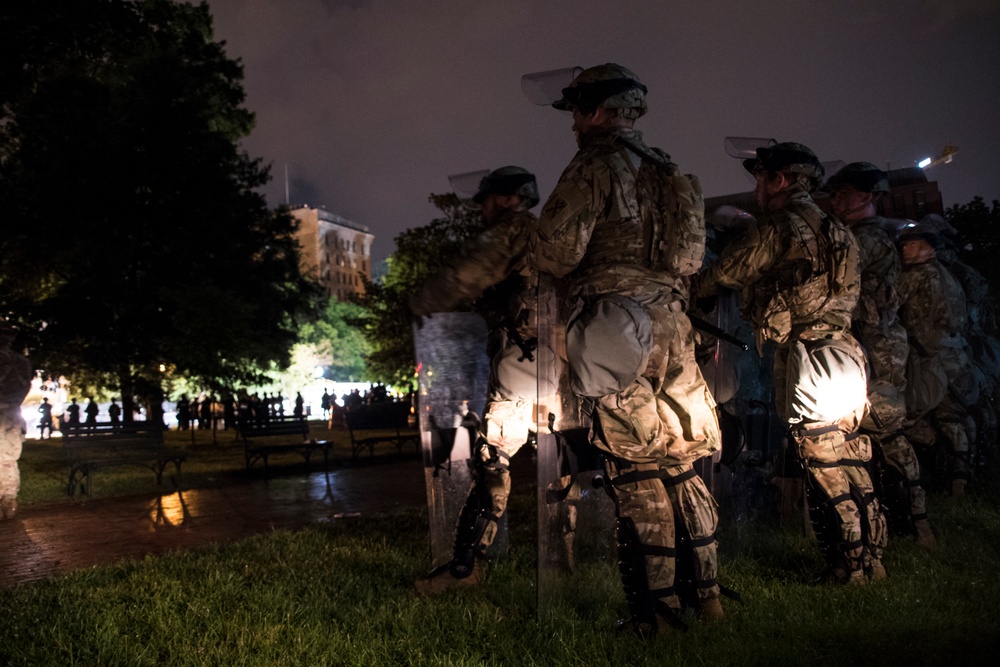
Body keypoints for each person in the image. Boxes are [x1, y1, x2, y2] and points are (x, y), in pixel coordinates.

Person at [529, 63, 723, 632]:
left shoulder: (594, 165)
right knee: (683, 462)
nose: (572, 125)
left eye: (575, 112)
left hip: (619, 326)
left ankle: (656, 611)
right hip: (673, 324)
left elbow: (556, 254)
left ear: (594, 111)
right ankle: (707, 597)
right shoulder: (666, 169)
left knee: (636, 466)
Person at [696, 142, 887, 585]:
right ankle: (871, 557)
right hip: (845, 351)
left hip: (811, 357)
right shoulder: (838, 229)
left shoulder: (782, 225)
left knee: (823, 461)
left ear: (780, 180)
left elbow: (729, 271)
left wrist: (693, 288)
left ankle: (852, 567)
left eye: (761, 178)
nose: (758, 189)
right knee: (849, 457)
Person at [410, 166, 541, 596]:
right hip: (553, 362)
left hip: (524, 363)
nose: (481, 210)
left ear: (505, 198)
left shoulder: (513, 231)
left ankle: (465, 570)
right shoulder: (544, 234)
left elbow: (461, 277)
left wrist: (418, 306)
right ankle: (571, 560)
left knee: (492, 460)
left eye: (486, 200)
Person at [825, 162, 935, 549]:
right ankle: (892, 520)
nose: (835, 199)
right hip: (864, 344)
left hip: (879, 346)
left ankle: (918, 524)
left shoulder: (867, 238)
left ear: (867, 197)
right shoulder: (857, 234)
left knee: (888, 430)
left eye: (844, 192)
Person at [895, 222, 975, 497]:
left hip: (928, 359)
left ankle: (929, 469)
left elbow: (887, 301)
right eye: (904, 244)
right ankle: (960, 484)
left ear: (930, 248)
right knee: (953, 418)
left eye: (913, 244)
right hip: (956, 355)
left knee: (904, 417)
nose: (906, 248)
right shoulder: (949, 275)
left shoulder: (917, 274)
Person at [0, 321, 32, 520]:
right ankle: (8, 500)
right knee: (8, 459)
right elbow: (25, 386)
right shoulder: (22, 361)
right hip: (13, 412)